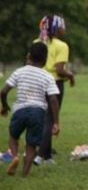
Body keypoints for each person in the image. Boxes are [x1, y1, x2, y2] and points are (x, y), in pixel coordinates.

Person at [1, 43, 60, 177]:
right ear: (45, 60)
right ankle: (25, 175)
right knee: (31, 145)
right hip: (38, 113)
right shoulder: (48, 76)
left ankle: (15, 156)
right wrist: (56, 122)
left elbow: (3, 92)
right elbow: (53, 99)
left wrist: (4, 106)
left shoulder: (19, 72)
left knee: (13, 136)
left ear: (28, 56)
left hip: (19, 111)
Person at [34, 14, 75, 166]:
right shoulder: (62, 46)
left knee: (43, 118)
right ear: (57, 28)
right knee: (50, 119)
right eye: (63, 26)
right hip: (54, 84)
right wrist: (70, 76)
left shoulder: (37, 42)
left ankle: (48, 155)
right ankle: (39, 156)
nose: (65, 29)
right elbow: (59, 70)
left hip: (37, 83)